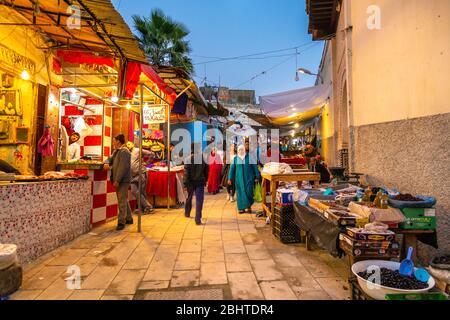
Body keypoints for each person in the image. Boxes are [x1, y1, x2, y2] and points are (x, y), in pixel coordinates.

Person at [105, 134, 132, 231]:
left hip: (123, 180)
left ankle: (121, 222)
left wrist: (117, 180)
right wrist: (107, 162)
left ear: (118, 141)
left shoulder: (124, 152)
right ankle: (129, 218)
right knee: (123, 199)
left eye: (114, 141)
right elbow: (109, 158)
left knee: (121, 200)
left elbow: (123, 167)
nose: (113, 142)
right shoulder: (116, 151)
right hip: (119, 179)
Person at [228, 144, 261, 214]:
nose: (241, 151)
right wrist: (229, 178)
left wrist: (257, 175)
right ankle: (241, 208)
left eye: (242, 149)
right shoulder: (236, 159)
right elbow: (231, 169)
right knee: (240, 194)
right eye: (239, 150)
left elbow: (255, 167)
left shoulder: (249, 158)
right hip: (239, 180)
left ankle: (248, 206)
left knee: (249, 192)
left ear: (244, 150)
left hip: (249, 179)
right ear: (237, 151)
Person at [126, 141, 155, 215]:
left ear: (132, 144)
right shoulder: (126, 153)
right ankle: (148, 206)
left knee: (142, 192)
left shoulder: (138, 150)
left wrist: (147, 163)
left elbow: (152, 154)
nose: (128, 146)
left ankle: (143, 209)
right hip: (132, 175)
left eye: (129, 144)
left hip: (141, 173)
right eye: (127, 145)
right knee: (134, 191)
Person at [184, 144, 209, 225]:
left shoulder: (187, 159)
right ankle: (198, 219)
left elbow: (186, 173)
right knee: (199, 200)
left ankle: (187, 213)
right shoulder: (203, 159)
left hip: (190, 182)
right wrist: (206, 180)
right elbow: (206, 171)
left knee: (189, 197)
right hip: (200, 182)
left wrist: (185, 183)